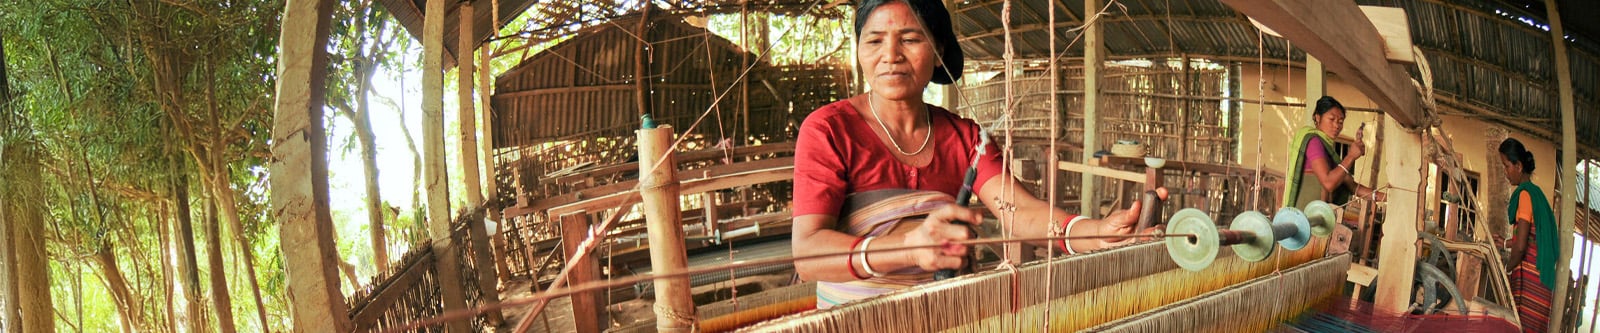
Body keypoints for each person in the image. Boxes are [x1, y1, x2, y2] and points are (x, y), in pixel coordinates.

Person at [791, 0, 1160, 309]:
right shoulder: (829, 130)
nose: (891, 55)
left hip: (948, 315)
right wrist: (907, 248)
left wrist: (1097, 233)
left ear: (937, 53)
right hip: (855, 320)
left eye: (909, 38)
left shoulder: (965, 137)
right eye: (874, 41)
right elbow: (808, 254)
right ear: (859, 52)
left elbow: (1020, 213)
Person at [1284, 96, 1384, 209]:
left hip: (1319, 217)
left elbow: (1352, 186)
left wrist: (1384, 197)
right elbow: (1328, 183)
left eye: (1340, 122)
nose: (1336, 125)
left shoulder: (1328, 151)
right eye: (1331, 119)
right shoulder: (1314, 142)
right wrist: (1350, 156)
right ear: (1318, 118)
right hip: (1305, 218)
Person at [1498, 138, 1556, 333]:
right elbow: (1532, 237)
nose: (1506, 173)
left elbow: (1521, 246)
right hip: (1542, 282)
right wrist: (1505, 243)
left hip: (1530, 280)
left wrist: (1506, 268)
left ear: (1519, 165)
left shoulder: (1524, 194)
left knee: (1520, 328)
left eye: (1507, 166)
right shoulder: (1537, 194)